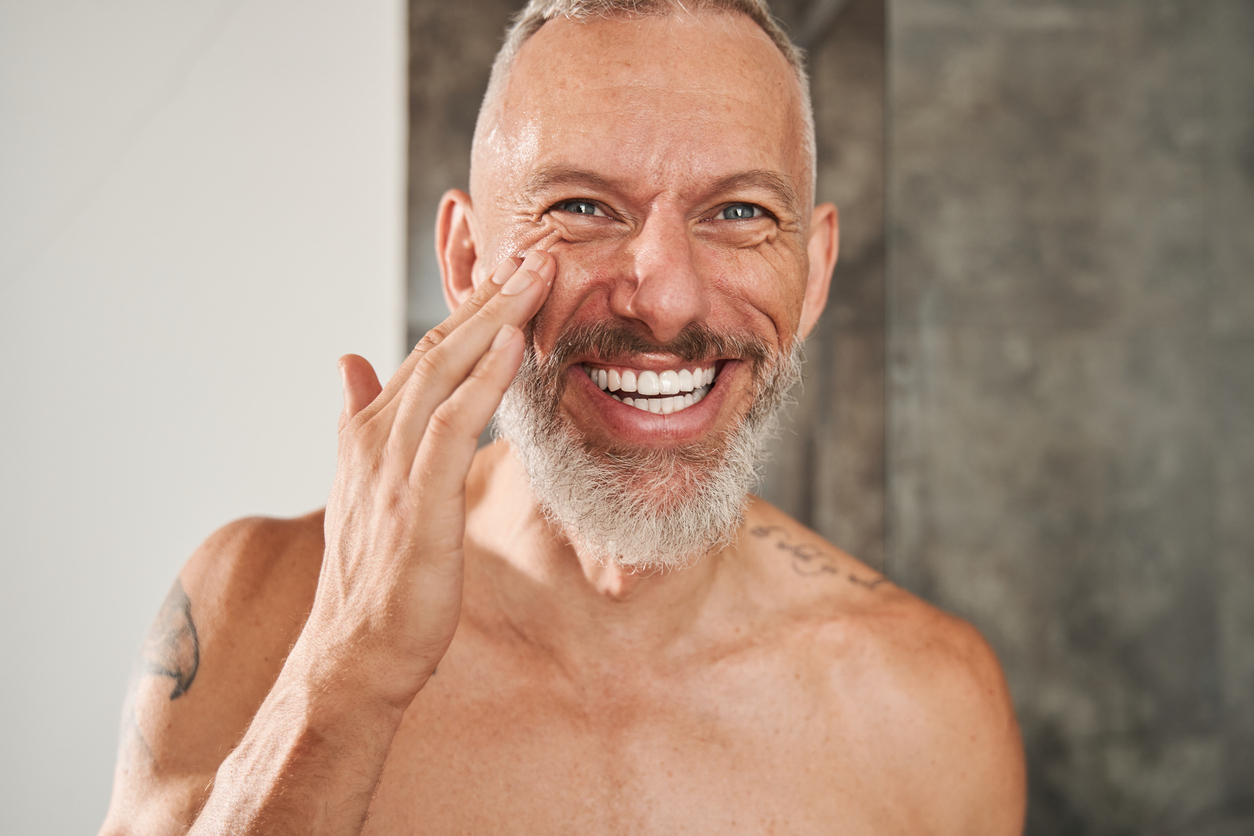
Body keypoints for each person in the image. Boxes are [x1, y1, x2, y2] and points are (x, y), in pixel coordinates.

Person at [100, 1, 1025, 832]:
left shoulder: (927, 708)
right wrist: (347, 677)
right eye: (580, 207)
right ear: (466, 262)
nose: (662, 300)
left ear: (815, 274)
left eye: (738, 211)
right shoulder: (256, 609)